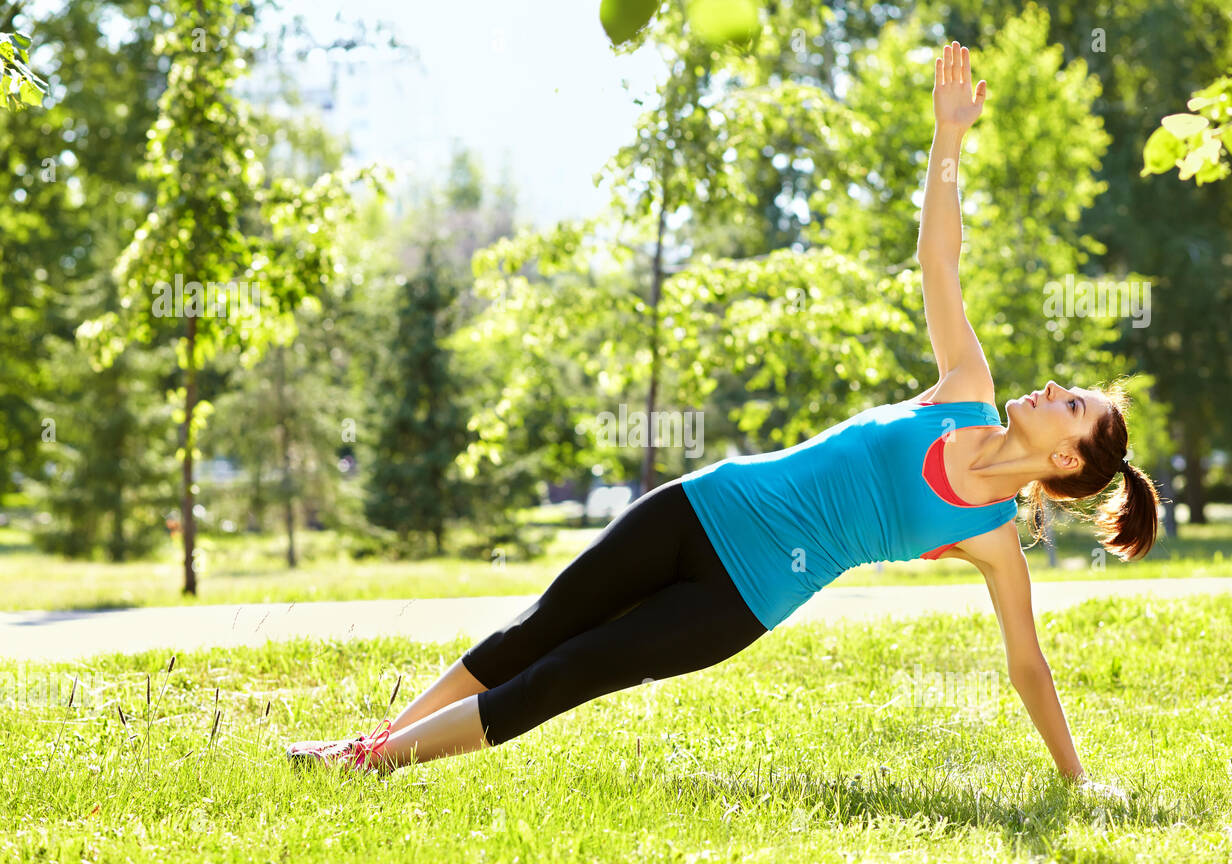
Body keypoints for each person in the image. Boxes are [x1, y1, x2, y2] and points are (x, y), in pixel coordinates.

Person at [286, 41, 1156, 796]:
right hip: (700, 507)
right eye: (1065, 388)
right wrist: (949, 136)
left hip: (741, 596)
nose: (1051, 391)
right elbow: (939, 256)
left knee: (574, 670)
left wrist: (1076, 779)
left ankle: (371, 765)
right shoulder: (963, 385)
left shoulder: (993, 539)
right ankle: (362, 747)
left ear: (1066, 464)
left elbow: (1027, 667)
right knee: (537, 631)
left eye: (1070, 406)